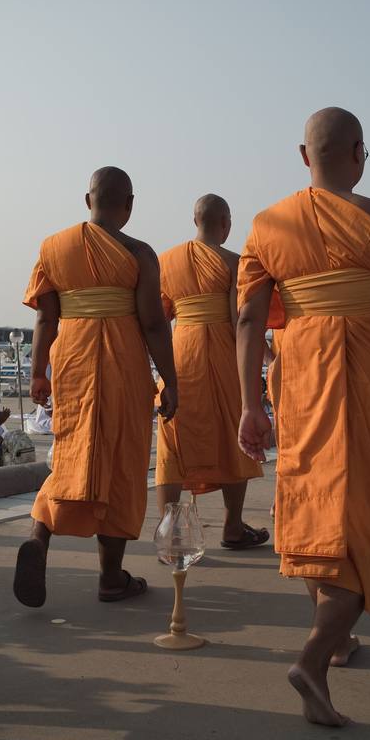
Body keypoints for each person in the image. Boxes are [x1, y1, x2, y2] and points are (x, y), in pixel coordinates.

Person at [236, 108, 370, 727]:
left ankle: (335, 639)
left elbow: (249, 319)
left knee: (315, 504)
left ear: (303, 156)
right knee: (365, 519)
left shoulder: (267, 225)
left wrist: (250, 405)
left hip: (302, 374)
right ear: (360, 153)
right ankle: (314, 655)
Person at [13, 167, 178, 607]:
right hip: (123, 363)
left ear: (88, 201)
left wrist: (38, 373)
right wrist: (170, 379)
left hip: (72, 361)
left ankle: (39, 535)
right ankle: (110, 578)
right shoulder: (139, 253)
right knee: (121, 460)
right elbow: (153, 323)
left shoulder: (53, 248)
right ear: (129, 205)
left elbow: (45, 318)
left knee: (72, 450)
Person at [155, 194, 267, 549]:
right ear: (226, 223)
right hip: (224, 356)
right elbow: (240, 321)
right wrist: (264, 360)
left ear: (195, 221)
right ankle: (232, 528)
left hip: (181, 355)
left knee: (172, 445)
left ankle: (170, 534)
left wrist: (162, 371)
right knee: (234, 440)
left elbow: (159, 320)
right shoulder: (235, 262)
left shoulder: (166, 261)